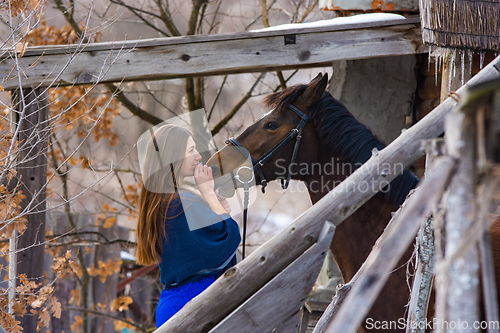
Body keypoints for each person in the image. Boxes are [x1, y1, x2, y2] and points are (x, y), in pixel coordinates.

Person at [135, 124, 241, 328]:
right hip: (193, 306)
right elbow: (229, 237)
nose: (199, 156)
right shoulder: (179, 202)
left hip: (173, 306)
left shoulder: (161, 201)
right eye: (191, 150)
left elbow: (199, 245)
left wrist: (217, 210)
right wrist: (209, 194)